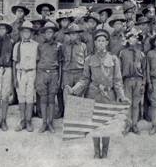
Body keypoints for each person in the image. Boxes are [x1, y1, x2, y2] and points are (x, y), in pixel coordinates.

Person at [68, 29, 130, 159]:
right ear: (95, 43)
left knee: (107, 124)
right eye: (98, 41)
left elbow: (117, 80)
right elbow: (85, 79)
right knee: (94, 124)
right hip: (93, 94)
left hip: (108, 95)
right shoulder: (89, 59)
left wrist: (122, 96)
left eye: (103, 41)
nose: (101, 43)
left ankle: (105, 151)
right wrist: (74, 89)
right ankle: (96, 151)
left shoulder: (114, 59)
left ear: (107, 42)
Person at [35, 21, 61, 133]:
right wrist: (38, 76)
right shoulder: (40, 46)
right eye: (47, 32)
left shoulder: (58, 46)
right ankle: (44, 123)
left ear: (54, 33)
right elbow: (37, 61)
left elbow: (60, 63)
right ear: (44, 34)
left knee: (51, 99)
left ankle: (50, 123)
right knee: (43, 99)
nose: (49, 34)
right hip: (42, 73)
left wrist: (59, 77)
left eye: (51, 32)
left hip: (54, 74)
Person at [13, 21, 39, 132]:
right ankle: (22, 120)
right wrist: (14, 78)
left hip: (32, 72)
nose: (26, 33)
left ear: (31, 33)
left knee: (30, 97)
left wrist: (37, 76)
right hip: (21, 73)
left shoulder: (36, 45)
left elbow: (38, 62)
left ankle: (29, 121)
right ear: (21, 33)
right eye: (24, 31)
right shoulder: (17, 45)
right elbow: (14, 62)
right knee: (21, 97)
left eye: (28, 31)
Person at [119, 28, 146, 135]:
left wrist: (143, 83)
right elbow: (120, 69)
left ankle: (135, 124)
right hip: (127, 81)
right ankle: (128, 124)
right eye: (130, 38)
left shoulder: (141, 53)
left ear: (137, 40)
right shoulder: (122, 53)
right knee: (127, 104)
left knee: (136, 104)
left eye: (134, 38)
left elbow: (144, 69)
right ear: (127, 40)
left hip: (138, 80)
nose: (132, 40)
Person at [0, 20, 14, 132]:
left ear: (7, 30)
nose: (1, 30)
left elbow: (13, 60)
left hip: (7, 69)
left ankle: (3, 120)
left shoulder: (11, 42)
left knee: (5, 95)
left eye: (3, 28)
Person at [61, 23, 87, 103]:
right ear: (69, 35)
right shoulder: (64, 46)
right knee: (67, 95)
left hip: (79, 72)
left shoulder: (83, 46)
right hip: (67, 73)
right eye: (71, 34)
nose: (73, 36)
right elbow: (62, 59)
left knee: (78, 95)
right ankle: (68, 115)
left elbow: (86, 61)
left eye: (75, 34)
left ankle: (77, 115)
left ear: (78, 34)